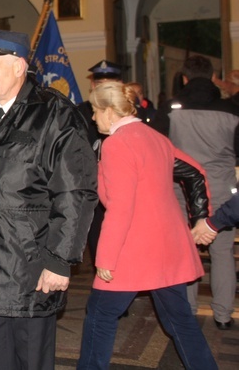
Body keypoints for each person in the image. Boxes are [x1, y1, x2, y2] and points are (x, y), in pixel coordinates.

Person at [0, 28, 98, 370]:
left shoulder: (54, 114)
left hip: (30, 266)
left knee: (30, 360)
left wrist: (59, 260)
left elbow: (75, 193)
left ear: (18, 66)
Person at [77, 82, 217, 369]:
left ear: (109, 112)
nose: (92, 118)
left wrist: (105, 257)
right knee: (179, 320)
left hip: (133, 249)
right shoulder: (154, 137)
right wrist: (200, 218)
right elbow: (196, 172)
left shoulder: (117, 143)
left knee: (100, 316)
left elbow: (120, 206)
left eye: (94, 111)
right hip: (168, 247)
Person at [153, 55, 239, 330]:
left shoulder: (170, 108)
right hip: (222, 189)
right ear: (213, 77)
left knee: (186, 250)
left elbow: (156, 148)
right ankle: (223, 315)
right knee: (223, 253)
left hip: (183, 191)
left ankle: (188, 311)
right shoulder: (232, 109)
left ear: (185, 78)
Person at [77, 60, 124, 267]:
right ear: (93, 86)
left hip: (121, 181)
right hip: (93, 184)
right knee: (97, 235)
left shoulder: (127, 110)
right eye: (100, 83)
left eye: (109, 83)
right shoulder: (81, 112)